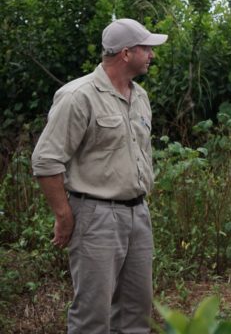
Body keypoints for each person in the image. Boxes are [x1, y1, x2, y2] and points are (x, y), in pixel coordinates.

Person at [31, 18, 167, 332]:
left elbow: (139, 152)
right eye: (146, 48)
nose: (151, 54)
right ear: (125, 53)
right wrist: (64, 214)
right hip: (96, 217)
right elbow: (46, 161)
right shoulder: (78, 96)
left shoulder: (140, 96)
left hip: (137, 214)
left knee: (137, 312)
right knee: (92, 315)